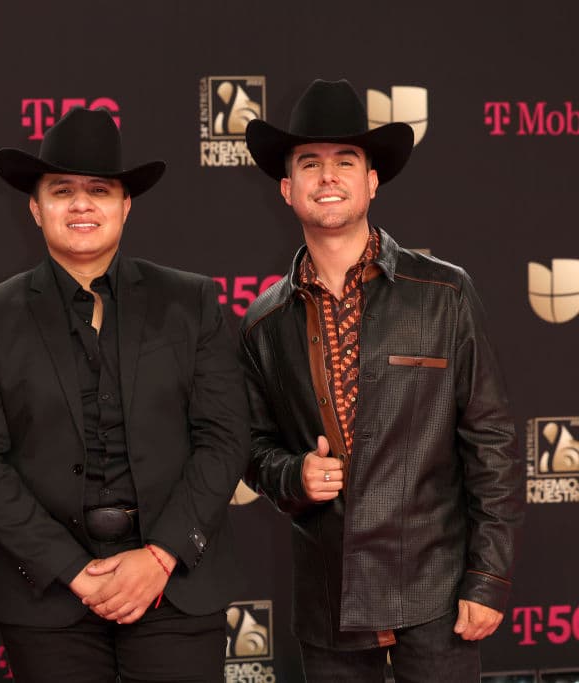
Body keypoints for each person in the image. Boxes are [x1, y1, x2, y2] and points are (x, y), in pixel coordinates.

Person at [0, 107, 249, 683]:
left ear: (125, 205)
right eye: (62, 191)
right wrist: (75, 571)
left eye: (99, 190)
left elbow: (226, 436)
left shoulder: (190, 301)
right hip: (47, 594)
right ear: (35, 208)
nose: (81, 204)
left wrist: (159, 556)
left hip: (174, 583)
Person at [241, 79, 523, 681]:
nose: (328, 176)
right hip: (329, 596)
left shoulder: (444, 292)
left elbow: (491, 439)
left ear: (372, 181)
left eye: (346, 161)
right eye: (310, 164)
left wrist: (489, 577)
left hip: (437, 588)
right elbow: (252, 446)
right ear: (287, 188)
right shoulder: (263, 321)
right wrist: (293, 474)